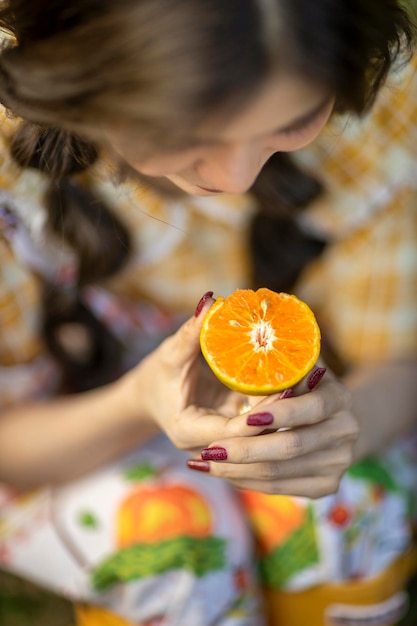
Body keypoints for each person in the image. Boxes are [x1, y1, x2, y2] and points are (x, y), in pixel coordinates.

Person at [0, 1, 415, 625]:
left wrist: (345, 426)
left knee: (348, 508)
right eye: (184, 136)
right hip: (61, 425)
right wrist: (139, 400)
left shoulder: (378, 90)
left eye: (298, 118)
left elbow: (399, 360)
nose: (238, 175)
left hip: (280, 387)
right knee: (165, 544)